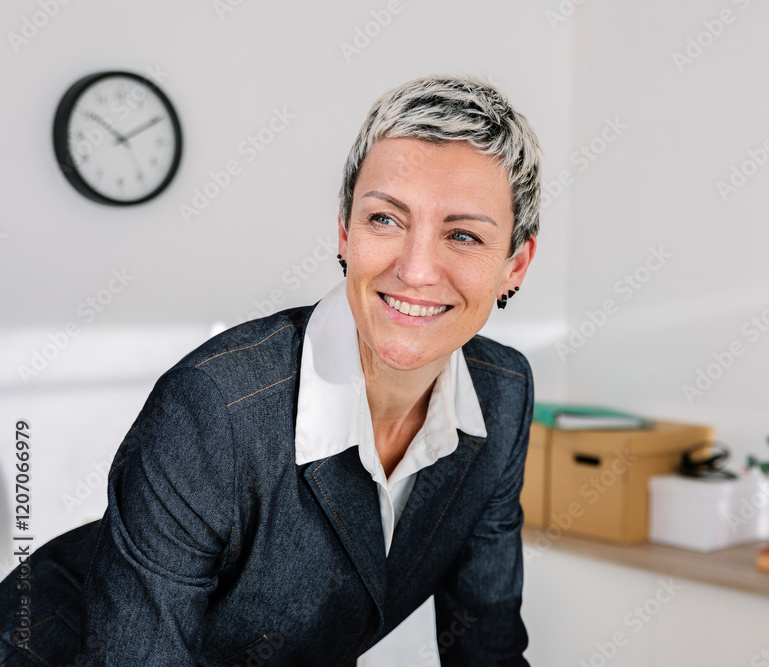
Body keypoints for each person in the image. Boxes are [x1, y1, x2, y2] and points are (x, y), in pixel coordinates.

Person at [0, 74, 540, 666]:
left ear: (515, 262)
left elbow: (485, 643)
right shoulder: (212, 409)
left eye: (462, 234)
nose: (415, 270)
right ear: (344, 230)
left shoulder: (502, 394)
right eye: (385, 219)